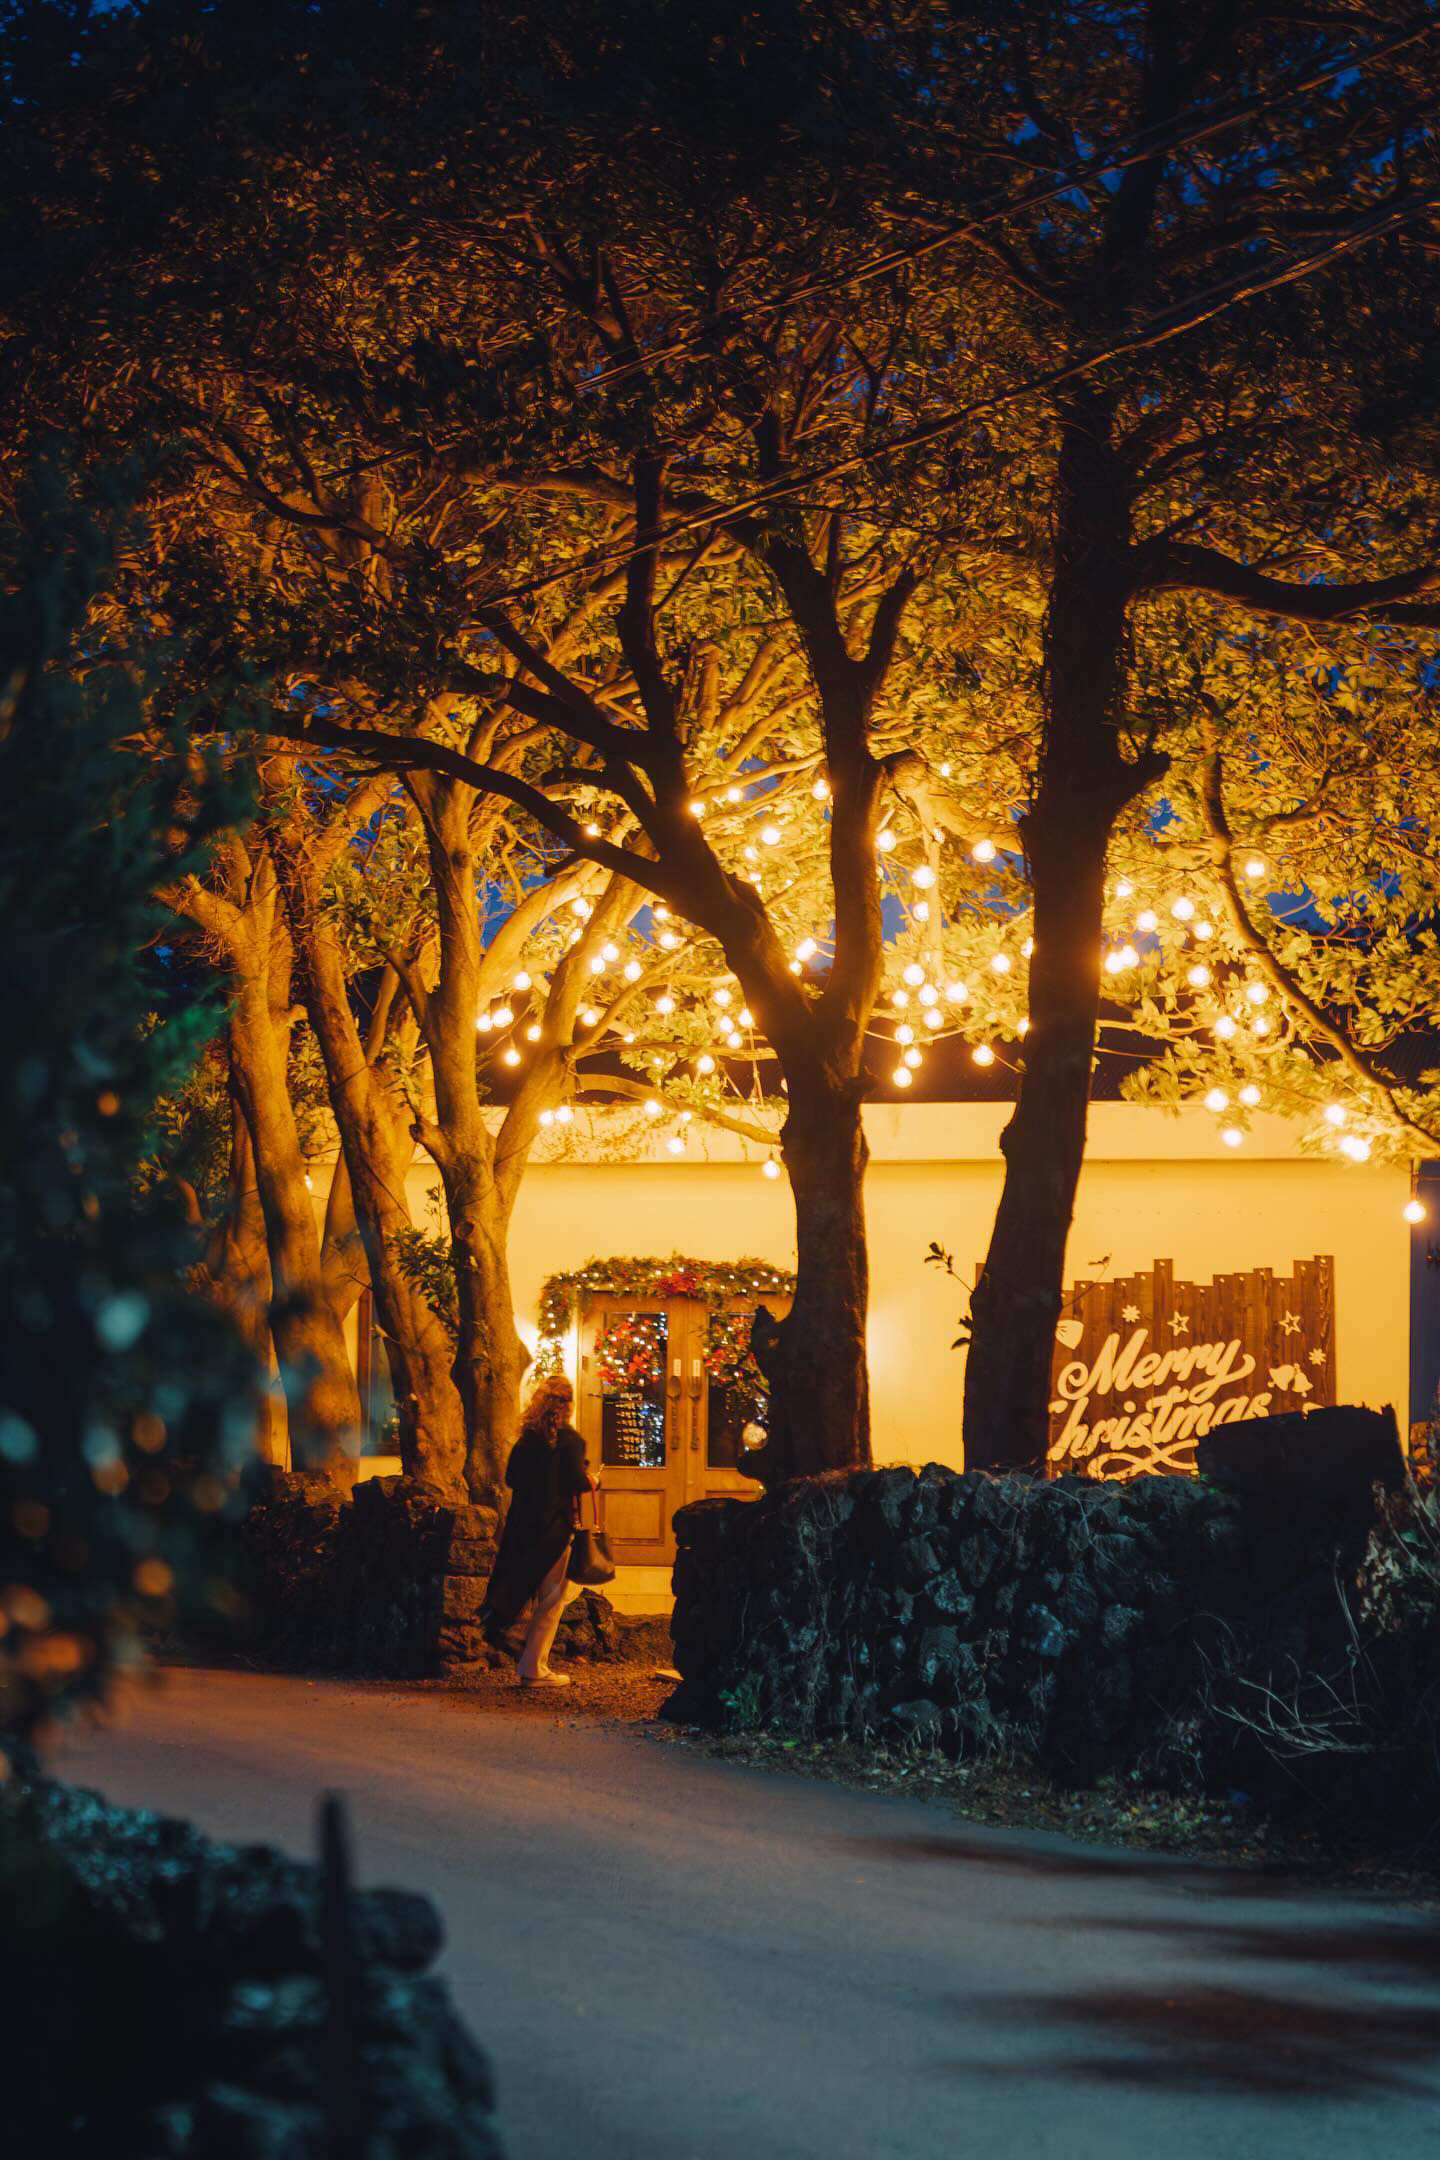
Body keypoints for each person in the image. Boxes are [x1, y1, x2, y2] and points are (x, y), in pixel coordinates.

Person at [479, 1374, 594, 1688]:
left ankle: (528, 1657)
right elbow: (575, 1482)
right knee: (554, 1597)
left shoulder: (526, 1438)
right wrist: (591, 1481)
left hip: (523, 1526)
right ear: (568, 1405)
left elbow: (512, 1479)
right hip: (555, 1529)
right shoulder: (571, 1441)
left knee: (526, 1587)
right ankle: (534, 1666)